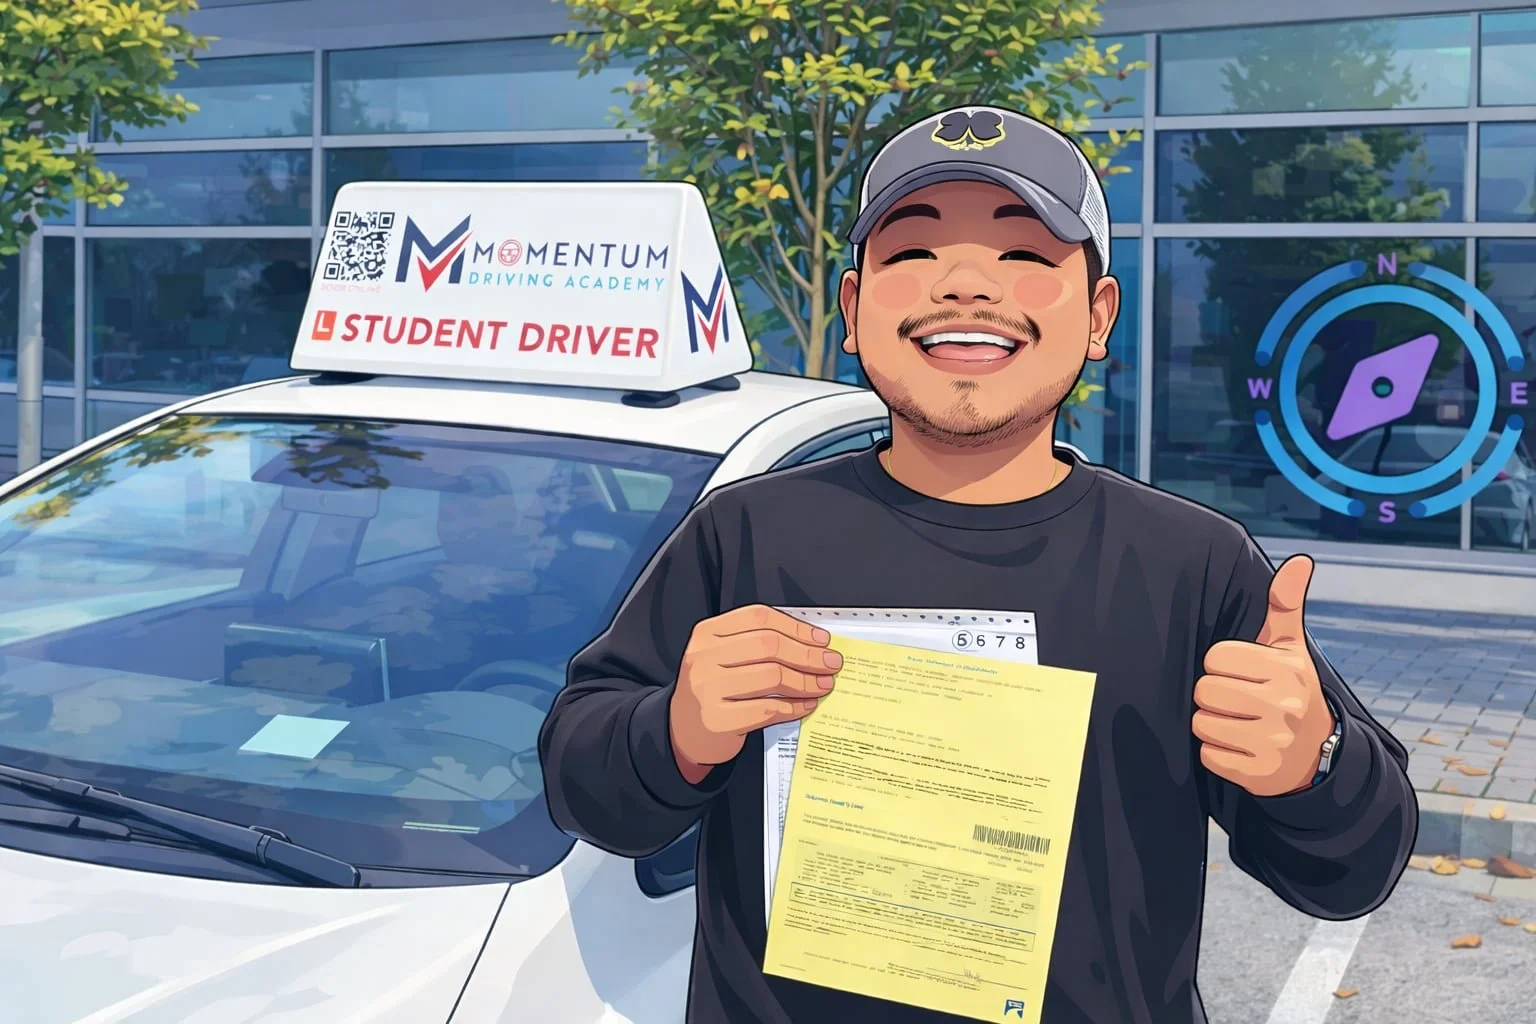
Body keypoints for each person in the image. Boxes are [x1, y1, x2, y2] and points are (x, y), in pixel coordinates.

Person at [537, 105, 1417, 1024]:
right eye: (912, 254)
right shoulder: (748, 533)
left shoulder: (1191, 565)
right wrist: (676, 731)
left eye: (1025, 258)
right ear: (851, 309)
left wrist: (1313, 764)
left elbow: (1353, 874)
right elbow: (583, 784)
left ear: (1097, 315)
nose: (963, 285)